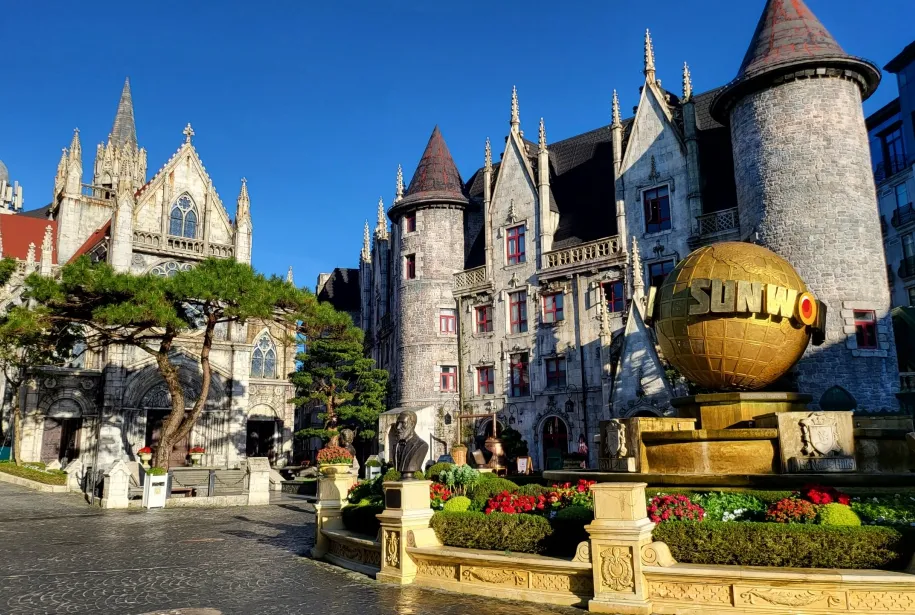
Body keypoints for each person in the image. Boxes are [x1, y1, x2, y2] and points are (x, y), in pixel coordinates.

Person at [392, 410, 428, 476]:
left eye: (403, 423)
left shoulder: (422, 445)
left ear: (412, 425)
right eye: (398, 423)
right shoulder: (396, 446)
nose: (398, 427)